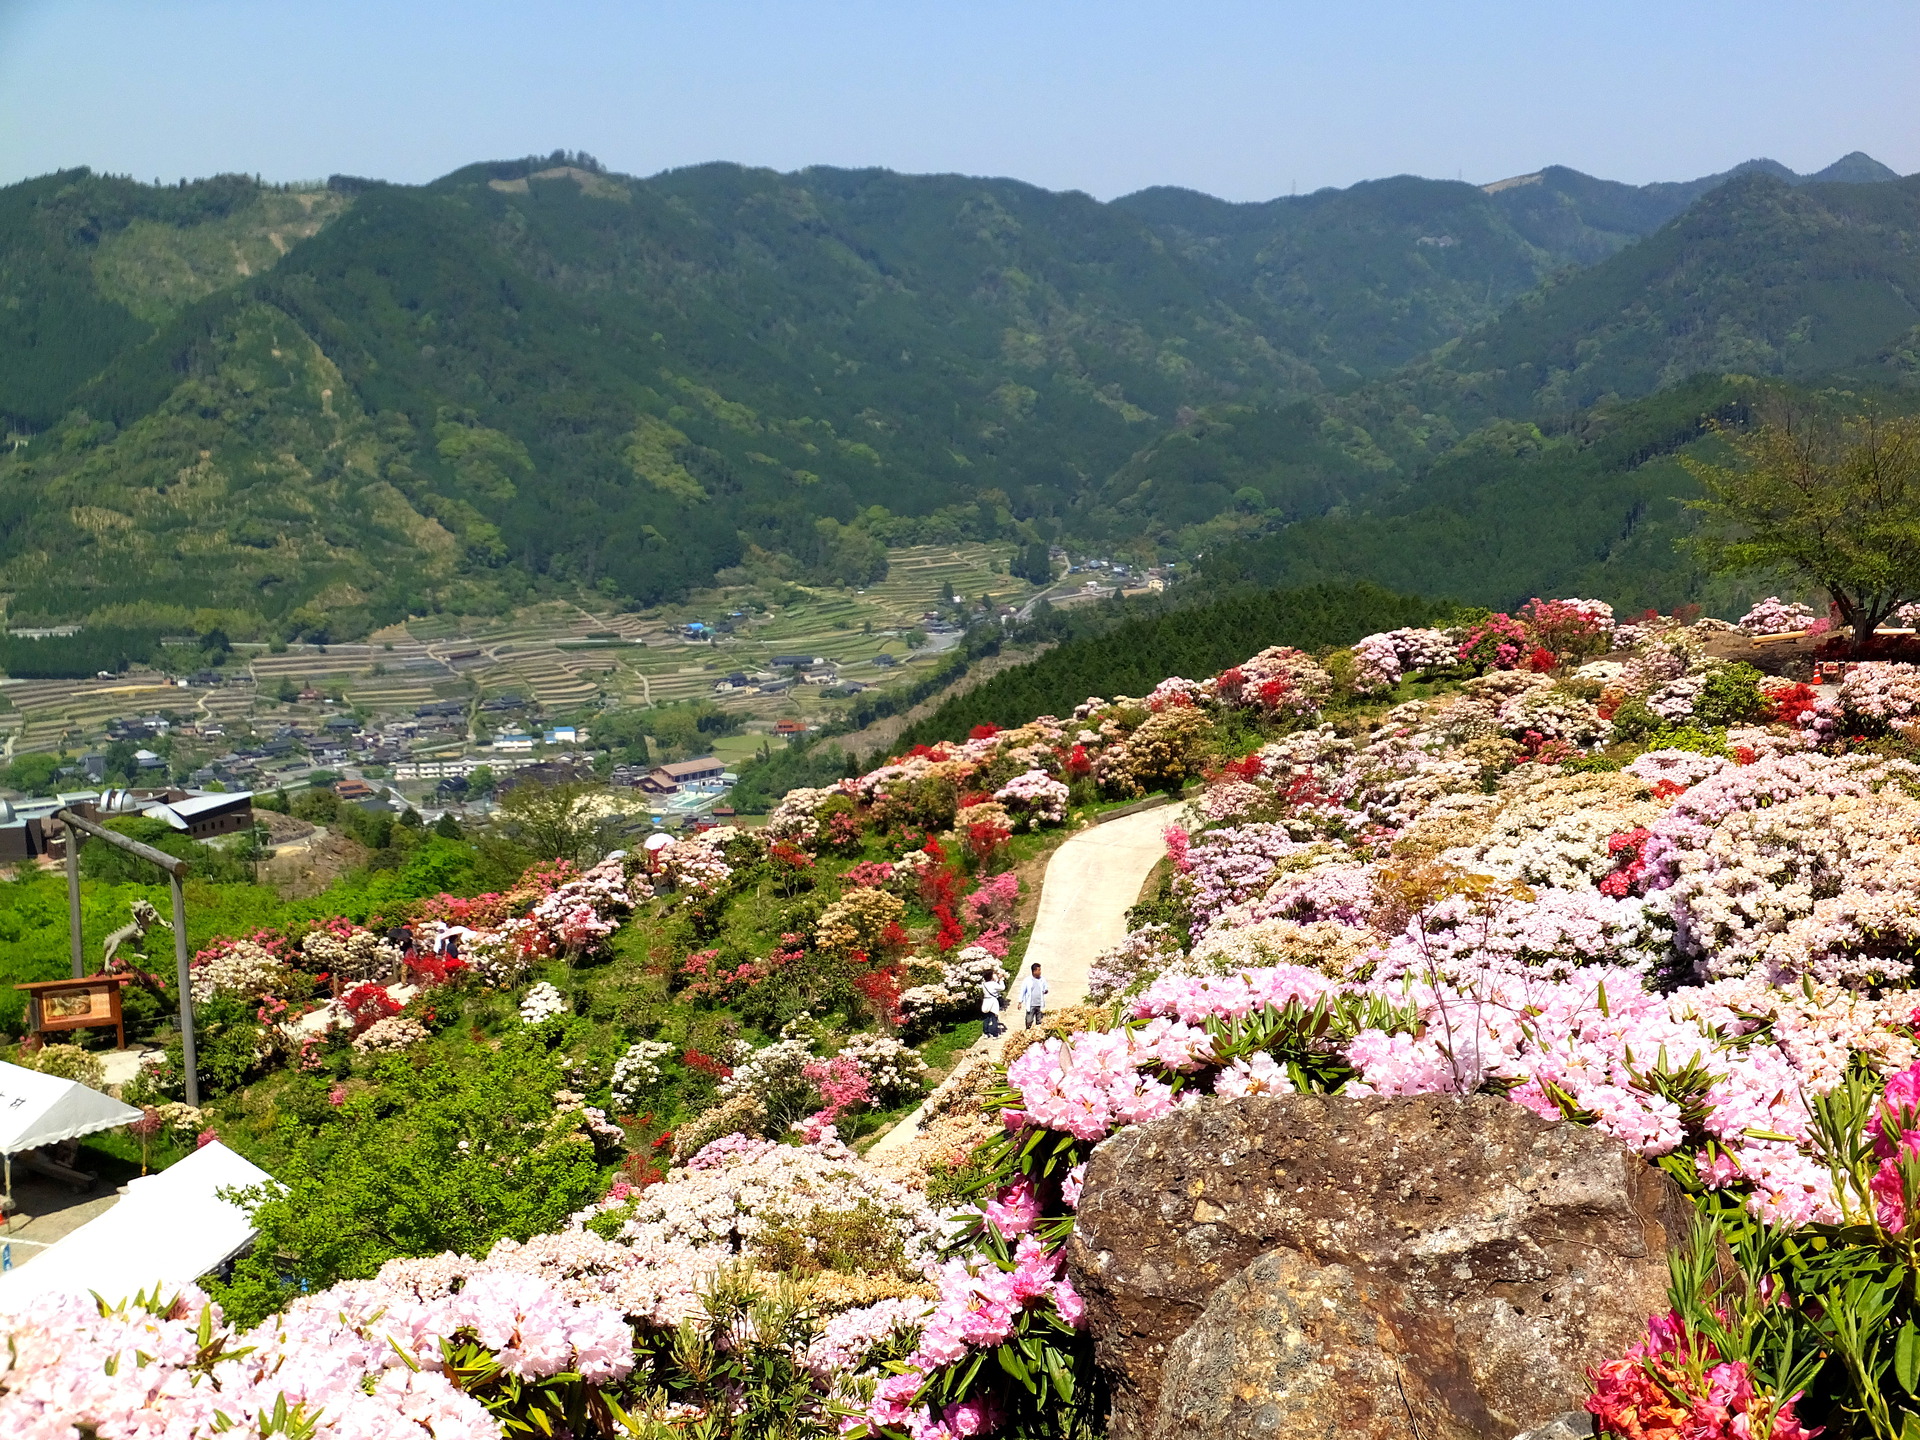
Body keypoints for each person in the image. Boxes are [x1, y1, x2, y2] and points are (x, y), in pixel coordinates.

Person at [1019, 963, 1048, 1029]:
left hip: (1039, 1004)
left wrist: (1045, 990)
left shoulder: (1042, 979)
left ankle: (1038, 1033)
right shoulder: (1027, 980)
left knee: (1039, 1021)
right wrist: (1020, 1002)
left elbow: (1045, 988)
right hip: (1031, 1004)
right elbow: (1023, 991)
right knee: (1029, 1020)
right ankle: (1028, 1030)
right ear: (1034, 971)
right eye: (1039, 970)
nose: (1040, 972)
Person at [980, 970, 1005, 1037]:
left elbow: (992, 986)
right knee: (994, 1018)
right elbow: (1002, 988)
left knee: (986, 1018)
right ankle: (995, 1034)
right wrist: (1001, 980)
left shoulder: (984, 984)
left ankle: (986, 1033)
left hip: (986, 1001)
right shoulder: (993, 984)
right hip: (993, 1001)